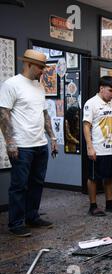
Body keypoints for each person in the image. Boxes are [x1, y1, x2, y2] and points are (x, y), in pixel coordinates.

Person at [0, 49, 57, 237]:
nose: (43, 71)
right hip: (22, 145)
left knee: (37, 183)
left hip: (40, 144)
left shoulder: (39, 86)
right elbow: (3, 114)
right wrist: (10, 142)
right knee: (19, 185)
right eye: (41, 67)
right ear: (28, 64)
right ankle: (16, 223)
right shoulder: (12, 84)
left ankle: (32, 216)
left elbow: (44, 114)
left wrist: (53, 138)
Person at [83, 76, 112, 216]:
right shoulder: (91, 103)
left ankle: (109, 204)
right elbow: (86, 126)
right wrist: (90, 147)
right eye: (110, 90)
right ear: (101, 88)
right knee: (94, 178)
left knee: (109, 177)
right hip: (97, 149)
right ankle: (93, 206)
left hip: (111, 148)